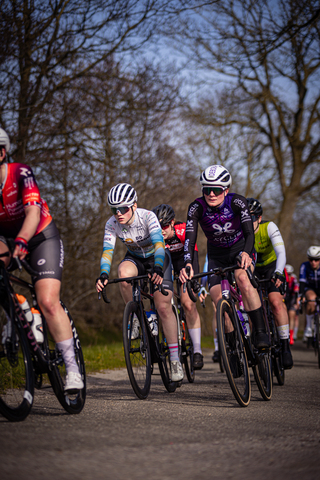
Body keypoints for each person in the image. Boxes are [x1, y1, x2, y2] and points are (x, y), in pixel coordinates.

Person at [0, 127, 83, 391]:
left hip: (39, 237)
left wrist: (23, 240)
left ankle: (72, 369)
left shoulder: (20, 173)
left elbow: (33, 213)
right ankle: (20, 309)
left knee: (47, 301)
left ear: (2, 152)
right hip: (6, 239)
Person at [95, 184, 184, 382]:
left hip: (158, 258)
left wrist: (158, 269)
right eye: (114, 209)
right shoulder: (111, 224)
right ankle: (136, 316)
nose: (118, 213)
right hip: (135, 258)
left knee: (163, 307)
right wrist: (103, 274)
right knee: (123, 273)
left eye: (123, 208)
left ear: (134, 206)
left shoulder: (147, 217)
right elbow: (108, 251)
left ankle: (175, 360)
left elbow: (160, 246)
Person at [180, 165, 270, 357]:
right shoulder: (196, 207)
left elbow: (249, 233)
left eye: (217, 190)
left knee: (243, 279)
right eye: (206, 190)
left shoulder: (237, 202)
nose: (211, 194)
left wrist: (246, 253)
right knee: (217, 298)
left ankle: (261, 332)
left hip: (240, 249)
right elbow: (190, 239)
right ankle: (232, 348)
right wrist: (188, 263)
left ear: (226, 190)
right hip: (216, 255)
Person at [152, 204, 204, 370]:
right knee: (160, 301)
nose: (161, 230)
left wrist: (194, 279)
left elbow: (193, 255)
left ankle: (197, 349)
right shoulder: (154, 237)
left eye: (165, 226)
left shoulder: (182, 230)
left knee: (188, 304)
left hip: (184, 262)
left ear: (172, 222)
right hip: (166, 264)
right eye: (158, 226)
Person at [247, 198, 293, 369]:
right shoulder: (242, 231)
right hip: (253, 268)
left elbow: (281, 252)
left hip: (272, 266)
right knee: (251, 306)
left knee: (275, 302)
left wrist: (279, 272)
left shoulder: (269, 227)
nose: (248, 222)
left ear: (259, 218)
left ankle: (285, 345)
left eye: (252, 218)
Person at [198, 255, 219, 364]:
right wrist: (202, 285)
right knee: (217, 310)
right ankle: (217, 348)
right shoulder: (212, 246)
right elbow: (207, 267)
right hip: (216, 275)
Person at [299, 246, 320, 340]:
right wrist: (301, 295)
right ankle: (308, 327)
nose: (313, 262)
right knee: (311, 299)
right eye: (311, 259)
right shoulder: (304, 266)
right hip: (310, 288)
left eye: (316, 260)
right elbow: (302, 282)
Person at [284, 264, 299, 345]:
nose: (288, 276)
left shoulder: (294, 279)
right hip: (284, 298)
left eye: (289, 274)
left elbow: (296, 292)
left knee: (292, 315)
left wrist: (297, 303)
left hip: (292, 297)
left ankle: (292, 336)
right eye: (287, 273)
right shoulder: (282, 278)